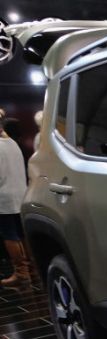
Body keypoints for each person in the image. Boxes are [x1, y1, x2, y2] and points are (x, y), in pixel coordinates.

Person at [0, 114, 30, 287]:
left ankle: (21, 273)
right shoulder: (12, 143)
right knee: (21, 234)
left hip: (4, 197)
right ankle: (31, 270)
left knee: (10, 235)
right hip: (20, 193)